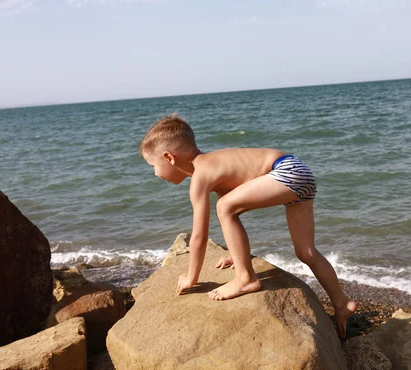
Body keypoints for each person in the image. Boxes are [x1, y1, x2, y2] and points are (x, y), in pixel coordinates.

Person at [139, 113, 357, 338]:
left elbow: (199, 236)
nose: (155, 174)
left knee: (224, 207)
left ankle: (245, 279)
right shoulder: (215, 163)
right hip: (299, 172)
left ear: (169, 157)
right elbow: (236, 211)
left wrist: (190, 277)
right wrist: (237, 254)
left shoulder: (201, 176)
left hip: (285, 172)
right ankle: (342, 303)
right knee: (306, 251)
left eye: (153, 166)